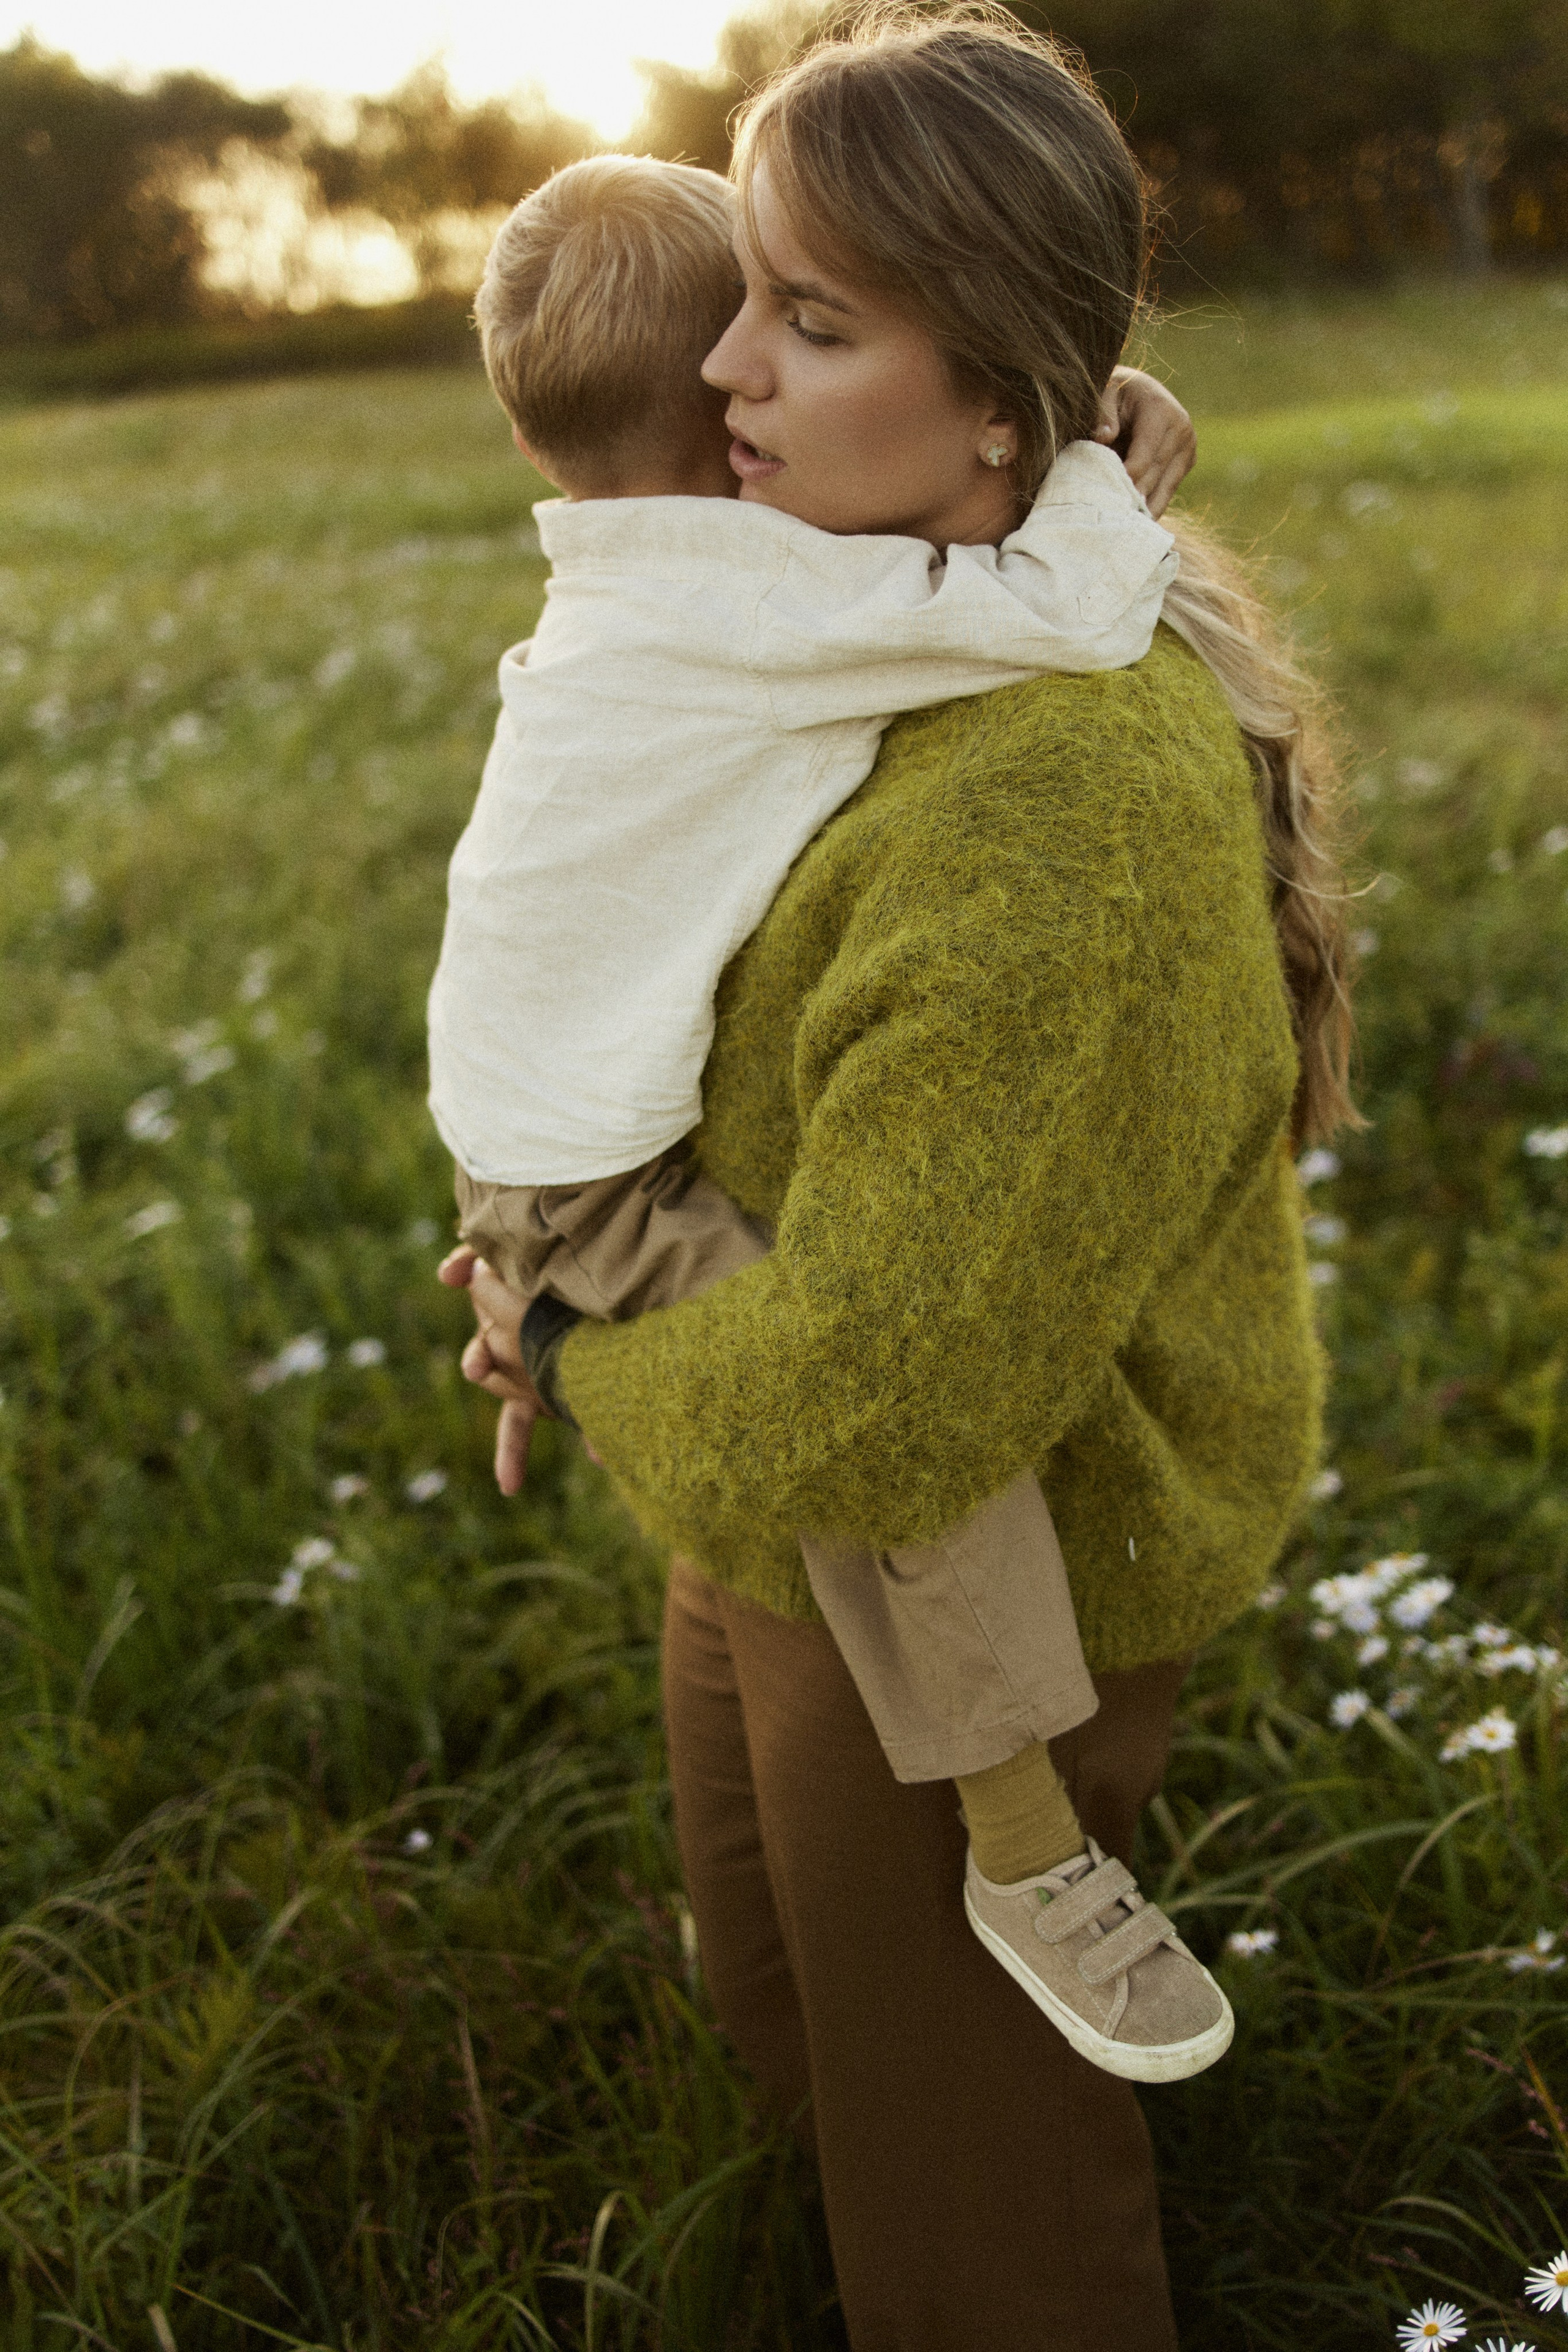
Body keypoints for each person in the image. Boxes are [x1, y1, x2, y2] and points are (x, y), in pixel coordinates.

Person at [446, 9, 1355, 2345]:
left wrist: (564, 1305)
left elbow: (887, 1406)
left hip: (970, 1567)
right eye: (746, 288)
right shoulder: (856, 614)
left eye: (815, 323)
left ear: (996, 406)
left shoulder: (1051, 802)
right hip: (757, 1486)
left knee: (981, 2229)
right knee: (805, 2046)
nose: (727, 372)